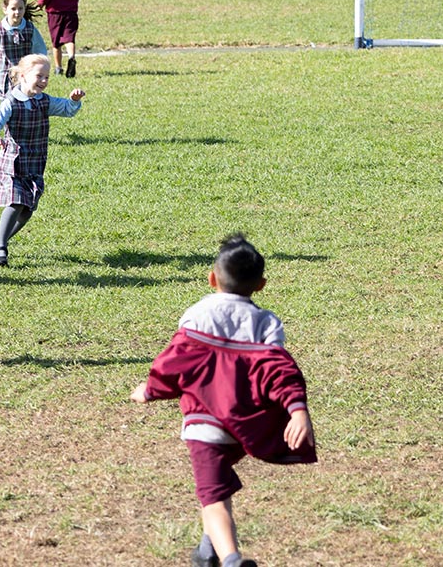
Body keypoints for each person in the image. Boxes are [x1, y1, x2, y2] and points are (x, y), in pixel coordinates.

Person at [131, 233, 317, 567]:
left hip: (206, 426)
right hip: (244, 426)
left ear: (211, 278)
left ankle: (231, 560)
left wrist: (150, 389)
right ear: (261, 285)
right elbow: (281, 371)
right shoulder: (265, 322)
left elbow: (175, 361)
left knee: (213, 499)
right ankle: (207, 552)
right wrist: (297, 409)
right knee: (217, 487)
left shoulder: (198, 315)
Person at [0, 56, 84, 267]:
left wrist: (74, 101)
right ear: (23, 76)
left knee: (28, 209)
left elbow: (66, 109)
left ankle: (0, 241)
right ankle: (1, 246)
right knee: (16, 202)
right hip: (13, 163)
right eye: (39, 76)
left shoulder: (44, 101)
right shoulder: (11, 102)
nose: (44, 81)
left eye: (47, 77)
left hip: (36, 162)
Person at [38, 0, 83, 79]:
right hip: (71, 12)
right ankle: (72, 57)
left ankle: (58, 68)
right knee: (69, 38)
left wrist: (41, 3)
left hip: (55, 13)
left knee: (56, 42)